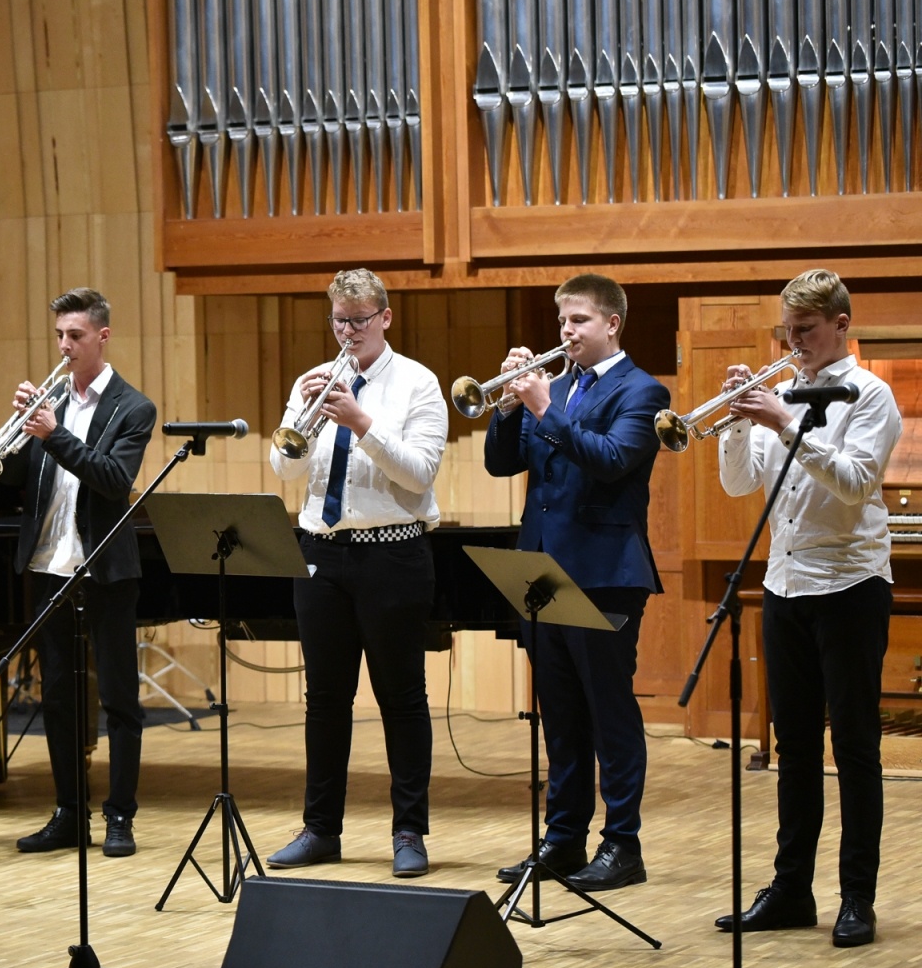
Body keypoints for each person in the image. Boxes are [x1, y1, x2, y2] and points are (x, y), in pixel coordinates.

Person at [712, 270, 901, 948]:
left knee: (853, 746)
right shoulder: (780, 393)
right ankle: (792, 889)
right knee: (794, 749)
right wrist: (739, 420)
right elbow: (739, 485)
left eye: (807, 332)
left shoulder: (871, 395)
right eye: (787, 332)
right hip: (785, 588)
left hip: (851, 586)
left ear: (842, 325)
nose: (794, 345)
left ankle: (858, 897)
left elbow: (852, 485)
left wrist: (786, 422)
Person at [484, 272, 670, 892]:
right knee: (560, 713)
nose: (566, 332)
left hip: (604, 572)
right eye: (562, 321)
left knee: (609, 711)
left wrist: (542, 408)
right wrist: (510, 408)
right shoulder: (554, 388)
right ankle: (563, 839)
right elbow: (500, 463)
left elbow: (613, 461)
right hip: (541, 569)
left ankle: (624, 843)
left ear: (611, 324)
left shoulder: (642, 390)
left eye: (580, 321)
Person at [263, 269, 448, 877]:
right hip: (320, 553)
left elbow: (419, 474)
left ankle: (409, 832)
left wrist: (361, 424)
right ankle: (321, 830)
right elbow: (286, 472)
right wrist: (303, 416)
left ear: (385, 318)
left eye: (359, 321)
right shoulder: (313, 381)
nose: (348, 333)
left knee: (401, 699)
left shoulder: (418, 383)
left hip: (392, 552)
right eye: (339, 321)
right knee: (324, 701)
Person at [2, 287, 157, 858]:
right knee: (60, 700)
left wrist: (52, 432)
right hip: (48, 568)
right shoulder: (51, 403)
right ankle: (70, 813)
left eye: (76, 336)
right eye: (60, 336)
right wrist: (19, 429)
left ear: (102, 336)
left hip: (104, 572)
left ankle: (120, 817)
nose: (65, 346)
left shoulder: (132, 408)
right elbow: (11, 475)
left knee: (119, 700)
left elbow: (112, 478)